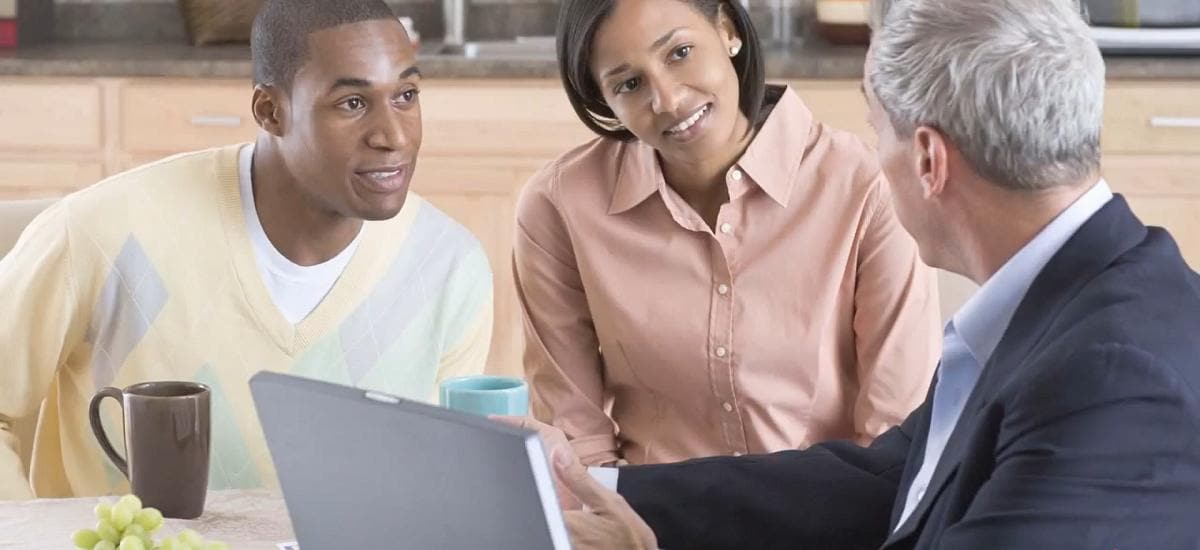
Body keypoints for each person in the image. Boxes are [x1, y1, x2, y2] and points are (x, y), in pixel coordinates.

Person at [503, 0, 1200, 547]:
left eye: (877, 130)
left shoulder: (1110, 374)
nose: (868, 155)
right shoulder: (1077, 302)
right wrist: (611, 493)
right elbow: (891, 478)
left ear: (928, 160)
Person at [0, 0, 493, 500]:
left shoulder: (449, 266)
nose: (395, 136)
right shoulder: (98, 233)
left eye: (406, 95)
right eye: (352, 103)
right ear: (270, 111)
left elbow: (442, 484)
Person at [514, 0, 940, 467]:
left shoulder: (864, 188)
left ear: (728, 30)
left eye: (679, 52)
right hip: (646, 525)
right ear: (603, 100)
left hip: (828, 520)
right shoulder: (559, 208)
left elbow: (895, 436)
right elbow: (578, 444)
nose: (669, 100)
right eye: (629, 84)